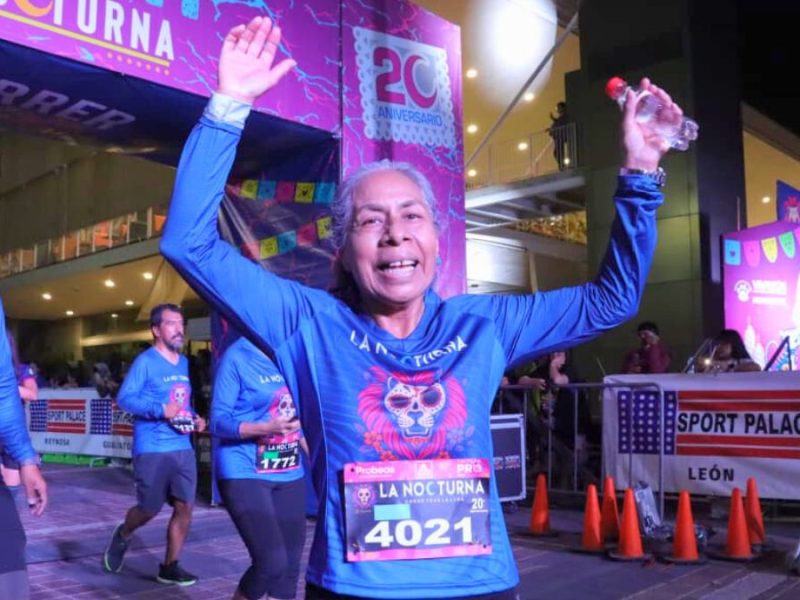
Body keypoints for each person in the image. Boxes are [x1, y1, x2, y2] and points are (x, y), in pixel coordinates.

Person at [161, 16, 679, 599]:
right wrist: (228, 105)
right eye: (370, 220)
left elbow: (612, 301)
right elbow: (189, 242)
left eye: (411, 216)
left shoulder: (483, 326)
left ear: (436, 235)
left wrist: (640, 172)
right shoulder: (308, 322)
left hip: (479, 588)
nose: (394, 234)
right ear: (344, 246)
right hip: (352, 591)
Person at [102, 303, 206, 586]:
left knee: (185, 506)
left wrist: (195, 418)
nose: (179, 329)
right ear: (156, 330)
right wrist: (160, 409)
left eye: (181, 323)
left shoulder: (184, 363)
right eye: (172, 323)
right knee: (149, 508)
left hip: (182, 447)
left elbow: (180, 403)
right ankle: (123, 533)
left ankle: (169, 566)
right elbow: (125, 399)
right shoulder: (145, 361)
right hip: (152, 448)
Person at [211, 336, 307, 600]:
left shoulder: (293, 352)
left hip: (290, 471)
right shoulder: (237, 356)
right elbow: (218, 422)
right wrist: (265, 428)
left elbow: (299, 423)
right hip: (244, 469)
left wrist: (322, 466)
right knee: (271, 562)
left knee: (289, 567)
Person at [0, 299, 47, 599]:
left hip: (7, 437)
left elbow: (3, 389)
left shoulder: (19, 368)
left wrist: (27, 458)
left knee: (11, 545)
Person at [0, 331, 38, 503]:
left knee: (11, 491)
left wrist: (6, 387)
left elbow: (32, 393)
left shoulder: (21, 370)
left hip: (12, 434)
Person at [548, 101, 569, 170]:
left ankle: (562, 166)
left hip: (561, 136)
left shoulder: (565, 116)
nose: (558, 110)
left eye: (559, 108)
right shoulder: (562, 117)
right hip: (558, 136)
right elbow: (558, 122)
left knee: (558, 153)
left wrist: (552, 128)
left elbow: (561, 123)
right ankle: (562, 165)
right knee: (557, 153)